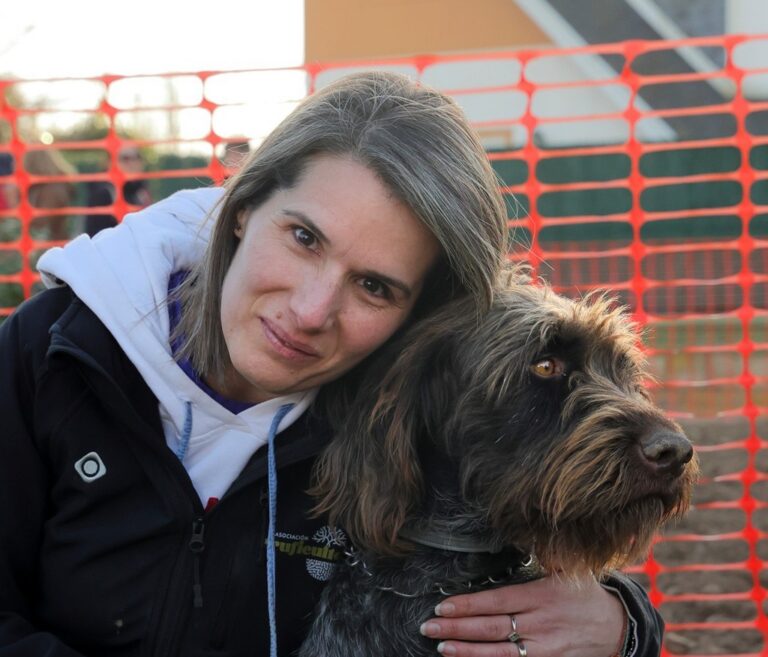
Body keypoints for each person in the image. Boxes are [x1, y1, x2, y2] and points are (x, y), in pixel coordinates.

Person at [0, 72, 662, 657]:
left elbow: (540, 535)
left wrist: (622, 622)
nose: (313, 311)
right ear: (244, 204)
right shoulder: (53, 354)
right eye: (303, 237)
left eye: (375, 286)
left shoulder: (404, 406)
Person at [83, 145, 151, 236]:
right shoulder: (104, 194)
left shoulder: (141, 193)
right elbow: (95, 236)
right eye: (125, 158)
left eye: (137, 157)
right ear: (111, 163)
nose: (131, 163)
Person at [24, 149, 78, 242]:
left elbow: (40, 225)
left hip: (52, 246)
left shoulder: (52, 190)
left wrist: (14, 203)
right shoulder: (44, 187)